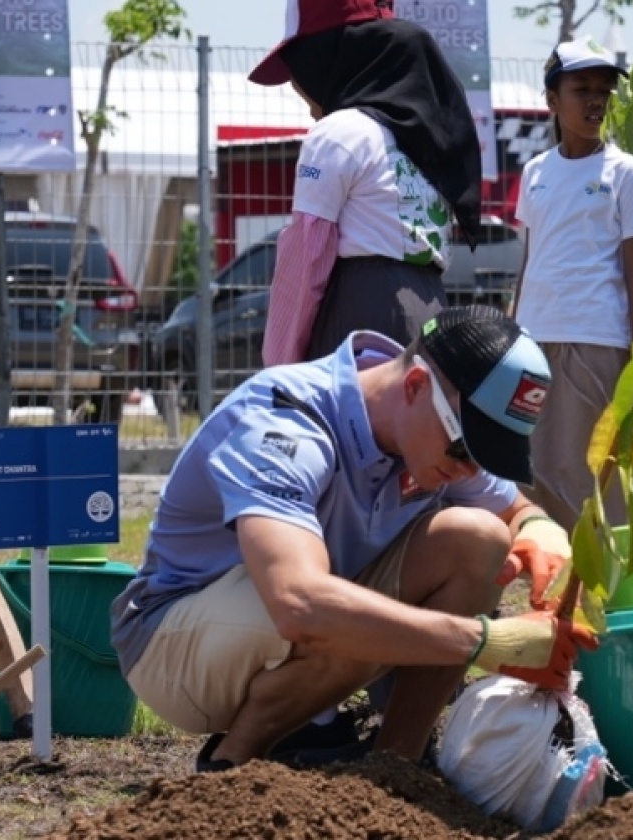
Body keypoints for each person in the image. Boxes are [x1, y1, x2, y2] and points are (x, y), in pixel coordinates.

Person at [110, 305, 594, 773]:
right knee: (316, 606)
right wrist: (483, 642)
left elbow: (512, 512)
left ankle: (396, 764)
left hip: (283, 614)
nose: (469, 469)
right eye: (466, 448)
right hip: (171, 643)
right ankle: (236, 760)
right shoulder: (287, 422)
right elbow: (298, 603)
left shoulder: (429, 427)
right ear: (415, 384)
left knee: (477, 539)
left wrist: (539, 529)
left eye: (486, 457)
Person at [252, 0, 485, 367]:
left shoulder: (339, 133)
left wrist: (280, 369)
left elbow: (305, 264)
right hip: (431, 312)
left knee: (351, 424)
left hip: (360, 320)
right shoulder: (425, 140)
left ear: (327, 58)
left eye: (300, 72)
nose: (304, 96)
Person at [510, 37, 633, 531]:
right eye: (581, 89)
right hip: (533, 341)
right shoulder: (535, 173)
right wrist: (512, 337)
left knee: (584, 468)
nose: (595, 100)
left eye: (603, 91)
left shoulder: (626, 172)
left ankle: (601, 584)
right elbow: (529, 258)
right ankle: (555, 577)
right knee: (531, 466)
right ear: (552, 101)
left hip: (595, 337)